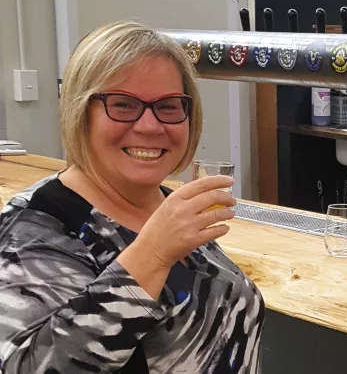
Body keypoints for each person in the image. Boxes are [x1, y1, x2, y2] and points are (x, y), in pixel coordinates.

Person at [0, 21, 265, 372]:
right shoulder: (36, 225)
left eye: (169, 106)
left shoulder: (167, 204)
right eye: (123, 105)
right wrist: (153, 254)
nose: (150, 126)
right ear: (81, 114)